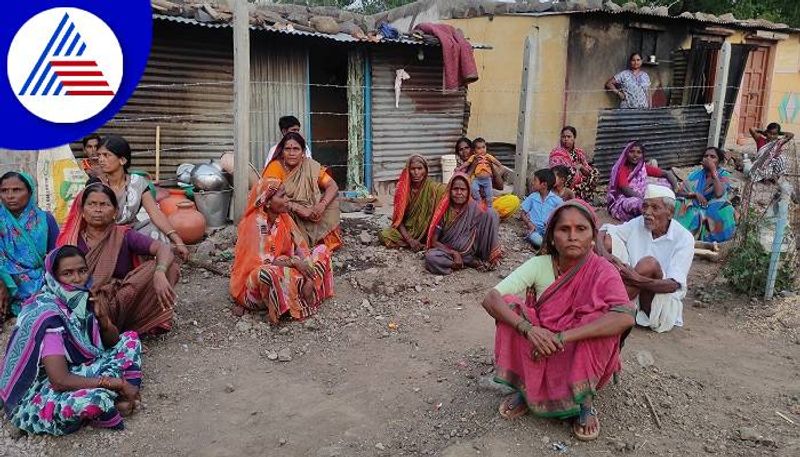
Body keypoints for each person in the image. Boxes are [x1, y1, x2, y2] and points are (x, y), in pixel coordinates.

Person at [482, 199, 634, 441]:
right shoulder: (539, 264)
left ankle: (583, 401)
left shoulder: (603, 270)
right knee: (510, 307)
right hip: (538, 343)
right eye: (564, 229)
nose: (573, 236)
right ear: (552, 237)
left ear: (593, 236)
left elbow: (624, 316)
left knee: (601, 321)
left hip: (573, 344)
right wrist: (529, 330)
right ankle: (526, 389)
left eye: (581, 229)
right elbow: (491, 298)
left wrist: (563, 336)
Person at [0, 245, 142, 435]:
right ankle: (114, 399)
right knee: (92, 400)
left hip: (76, 368)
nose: (77, 279)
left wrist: (103, 320)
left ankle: (115, 399)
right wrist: (116, 383)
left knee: (129, 340)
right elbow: (60, 380)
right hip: (42, 388)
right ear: (53, 276)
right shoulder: (48, 314)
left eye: (82, 271)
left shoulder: (82, 300)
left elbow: (113, 342)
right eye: (68, 273)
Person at [57, 184, 180, 335]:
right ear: (82, 211)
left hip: (122, 299)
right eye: (92, 204)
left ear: (115, 211)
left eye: (104, 204)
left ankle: (136, 323)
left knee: (168, 266)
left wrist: (160, 272)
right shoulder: (71, 240)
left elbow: (164, 248)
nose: (98, 209)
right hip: (85, 302)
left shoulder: (123, 235)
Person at [58, 135, 190, 261]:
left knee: (154, 230)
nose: (101, 159)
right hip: (103, 235)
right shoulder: (95, 184)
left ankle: (149, 271)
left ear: (122, 160)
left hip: (131, 232)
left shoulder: (138, 183)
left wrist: (177, 240)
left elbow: (155, 213)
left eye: (106, 155)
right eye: (99, 155)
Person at [229, 178, 333, 323]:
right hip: (254, 289)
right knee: (267, 273)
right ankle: (290, 303)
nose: (287, 200)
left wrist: (309, 277)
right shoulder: (253, 225)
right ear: (268, 201)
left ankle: (302, 291)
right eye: (282, 196)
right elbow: (262, 263)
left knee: (322, 250)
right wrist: (293, 263)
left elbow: (302, 249)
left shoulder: (284, 218)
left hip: (287, 272)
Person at [598, 185, 694, 333]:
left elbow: (673, 285)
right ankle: (609, 304)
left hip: (659, 306)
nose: (647, 213)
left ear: (670, 213)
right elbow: (604, 230)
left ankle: (606, 308)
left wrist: (636, 278)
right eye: (645, 206)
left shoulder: (684, 238)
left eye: (655, 208)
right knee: (607, 241)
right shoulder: (638, 223)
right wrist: (605, 254)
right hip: (633, 293)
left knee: (649, 264)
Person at [261, 132, 342, 251]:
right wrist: (297, 208)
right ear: (282, 152)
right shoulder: (275, 167)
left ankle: (321, 241)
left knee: (332, 202)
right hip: (286, 213)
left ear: (303, 152)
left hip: (311, 212)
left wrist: (321, 205)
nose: (292, 153)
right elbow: (269, 198)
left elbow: (332, 185)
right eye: (287, 149)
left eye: (296, 149)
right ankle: (290, 244)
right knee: (277, 212)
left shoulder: (309, 166)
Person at [0, 172, 60, 319]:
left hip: (39, 281)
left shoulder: (45, 219)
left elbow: (56, 257)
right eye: (4, 191)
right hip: (5, 281)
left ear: (30, 191)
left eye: (17, 190)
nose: (10, 196)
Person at [424, 173, 502, 275]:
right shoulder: (444, 210)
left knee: (492, 213)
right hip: (449, 251)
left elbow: (486, 225)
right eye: (455, 189)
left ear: (468, 191)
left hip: (472, 248)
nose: (459, 193)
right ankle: (466, 262)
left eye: (463, 189)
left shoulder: (474, 207)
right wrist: (453, 252)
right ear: (450, 190)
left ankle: (482, 257)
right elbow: (434, 242)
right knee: (431, 257)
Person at [379, 155, 445, 251]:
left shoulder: (434, 188)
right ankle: (416, 244)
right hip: (408, 231)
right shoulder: (402, 189)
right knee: (384, 234)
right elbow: (399, 219)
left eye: (419, 168)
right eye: (413, 169)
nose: (416, 173)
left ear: (426, 170)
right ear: (407, 170)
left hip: (427, 231)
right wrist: (409, 240)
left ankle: (426, 242)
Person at [675, 147, 736, 242]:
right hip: (696, 205)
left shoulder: (724, 175)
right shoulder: (695, 175)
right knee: (679, 202)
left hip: (713, 206)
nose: (708, 158)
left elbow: (719, 193)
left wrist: (713, 172)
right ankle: (681, 236)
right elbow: (680, 192)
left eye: (712, 157)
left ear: (719, 161)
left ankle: (714, 238)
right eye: (706, 156)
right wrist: (694, 194)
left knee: (724, 206)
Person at [607, 141, 676, 222]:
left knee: (665, 184)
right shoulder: (621, 169)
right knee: (639, 204)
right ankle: (650, 218)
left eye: (639, 152)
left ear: (642, 155)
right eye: (631, 151)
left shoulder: (641, 167)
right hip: (623, 199)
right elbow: (625, 190)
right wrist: (645, 199)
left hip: (641, 194)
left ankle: (659, 212)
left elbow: (667, 173)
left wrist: (676, 189)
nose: (635, 155)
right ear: (626, 153)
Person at [548, 126, 598, 201]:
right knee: (571, 171)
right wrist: (574, 169)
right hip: (562, 182)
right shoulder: (556, 152)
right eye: (563, 137)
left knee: (595, 172)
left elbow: (588, 170)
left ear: (574, 138)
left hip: (579, 184)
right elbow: (556, 172)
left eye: (569, 136)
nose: (566, 139)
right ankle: (567, 197)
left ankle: (583, 198)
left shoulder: (579, 152)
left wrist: (581, 167)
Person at [520, 169, 563, 249]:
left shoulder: (557, 200)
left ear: (544, 185)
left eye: (535, 180)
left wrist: (552, 223)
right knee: (535, 238)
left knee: (557, 237)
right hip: (535, 230)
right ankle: (545, 246)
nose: (532, 182)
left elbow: (562, 216)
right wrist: (529, 224)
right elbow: (522, 213)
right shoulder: (532, 197)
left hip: (549, 230)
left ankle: (548, 244)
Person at [458, 138, 503, 205]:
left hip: (487, 197)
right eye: (461, 149)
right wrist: (473, 166)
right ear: (474, 150)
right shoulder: (462, 167)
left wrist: (491, 166)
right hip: (472, 201)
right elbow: (464, 185)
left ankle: (487, 209)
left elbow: (500, 186)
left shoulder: (487, 159)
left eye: (467, 148)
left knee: (512, 201)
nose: (464, 151)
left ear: (472, 149)